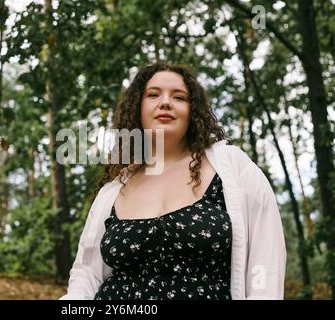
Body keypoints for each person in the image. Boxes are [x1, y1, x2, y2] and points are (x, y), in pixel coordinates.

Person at [59, 62, 286, 300]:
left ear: (193, 110)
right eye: (153, 94)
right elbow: (86, 275)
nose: (165, 102)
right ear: (138, 107)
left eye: (179, 97)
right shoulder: (114, 189)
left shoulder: (233, 168)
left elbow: (266, 262)